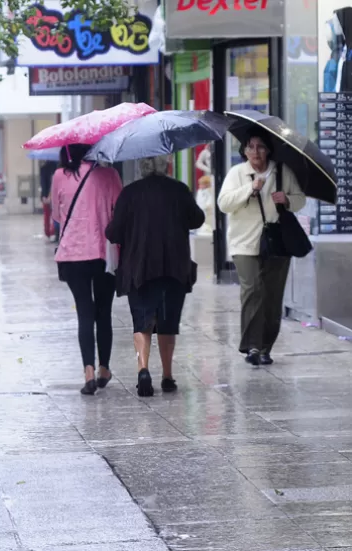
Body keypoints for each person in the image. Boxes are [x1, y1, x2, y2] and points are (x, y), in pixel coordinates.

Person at [105, 155, 205, 397]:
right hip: (174, 266)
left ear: (142, 166)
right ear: (166, 165)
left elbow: (113, 232)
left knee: (142, 320)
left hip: (139, 268)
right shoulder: (179, 190)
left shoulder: (130, 193)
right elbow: (197, 219)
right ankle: (168, 375)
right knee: (168, 321)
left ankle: (143, 369)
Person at [217, 130, 306, 366]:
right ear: (244, 151)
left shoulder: (281, 171)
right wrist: (250, 189)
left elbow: (300, 199)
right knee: (253, 289)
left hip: (277, 241)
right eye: (251, 147)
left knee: (272, 296)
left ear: (268, 150)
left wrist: (286, 200)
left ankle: (266, 347)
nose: (255, 152)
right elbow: (224, 203)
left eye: (260, 147)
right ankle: (252, 346)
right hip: (245, 242)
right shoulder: (237, 173)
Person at [51, 144, 123, 395]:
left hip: (72, 254)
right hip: (104, 253)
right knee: (104, 312)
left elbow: (57, 216)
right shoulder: (110, 175)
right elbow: (119, 213)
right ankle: (104, 368)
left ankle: (88, 371)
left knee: (84, 311)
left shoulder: (60, 175)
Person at [39, 160, 58, 240]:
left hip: (46, 195)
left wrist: (44, 195)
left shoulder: (43, 168)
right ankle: (54, 231)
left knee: (47, 215)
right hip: (56, 195)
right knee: (56, 214)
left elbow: (43, 183)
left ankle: (48, 232)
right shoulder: (58, 168)